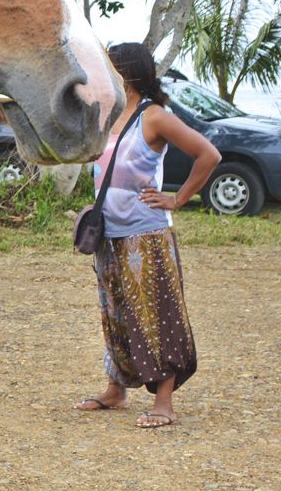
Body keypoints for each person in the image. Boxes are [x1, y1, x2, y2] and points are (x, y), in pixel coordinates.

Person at [74, 42, 221, 429]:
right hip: (109, 234)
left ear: (127, 75)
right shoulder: (107, 114)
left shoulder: (154, 117)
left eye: (110, 68)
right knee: (115, 311)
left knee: (155, 314)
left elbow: (209, 155)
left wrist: (178, 199)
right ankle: (116, 389)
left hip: (146, 234)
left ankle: (164, 403)